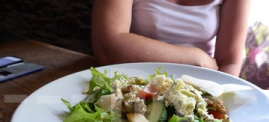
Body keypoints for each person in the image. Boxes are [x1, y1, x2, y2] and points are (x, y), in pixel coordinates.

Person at [91, 0, 252, 77]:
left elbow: (229, 62)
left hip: (200, 87)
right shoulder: (199, 61)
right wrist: (196, 58)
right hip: (134, 80)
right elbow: (108, 45)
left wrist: (215, 103)